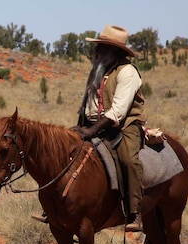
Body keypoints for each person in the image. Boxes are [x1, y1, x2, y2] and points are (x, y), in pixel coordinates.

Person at [34, 25, 147, 233]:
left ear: (114, 51)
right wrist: (80, 126)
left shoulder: (128, 72)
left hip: (123, 127)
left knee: (128, 160)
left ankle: (134, 212)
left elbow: (117, 113)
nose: (95, 52)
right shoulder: (98, 70)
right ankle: (52, 208)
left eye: (101, 48)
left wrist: (91, 131)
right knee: (60, 150)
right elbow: (88, 104)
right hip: (93, 125)